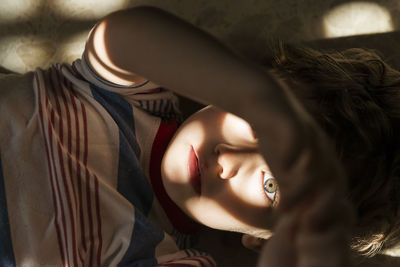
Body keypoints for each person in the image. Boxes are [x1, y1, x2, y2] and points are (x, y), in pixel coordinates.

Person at [0, 5, 395, 267]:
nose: (227, 160)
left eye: (272, 185)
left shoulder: (164, 256)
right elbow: (121, 37)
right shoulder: (135, 101)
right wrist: (257, 98)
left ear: (262, 240)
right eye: (257, 127)